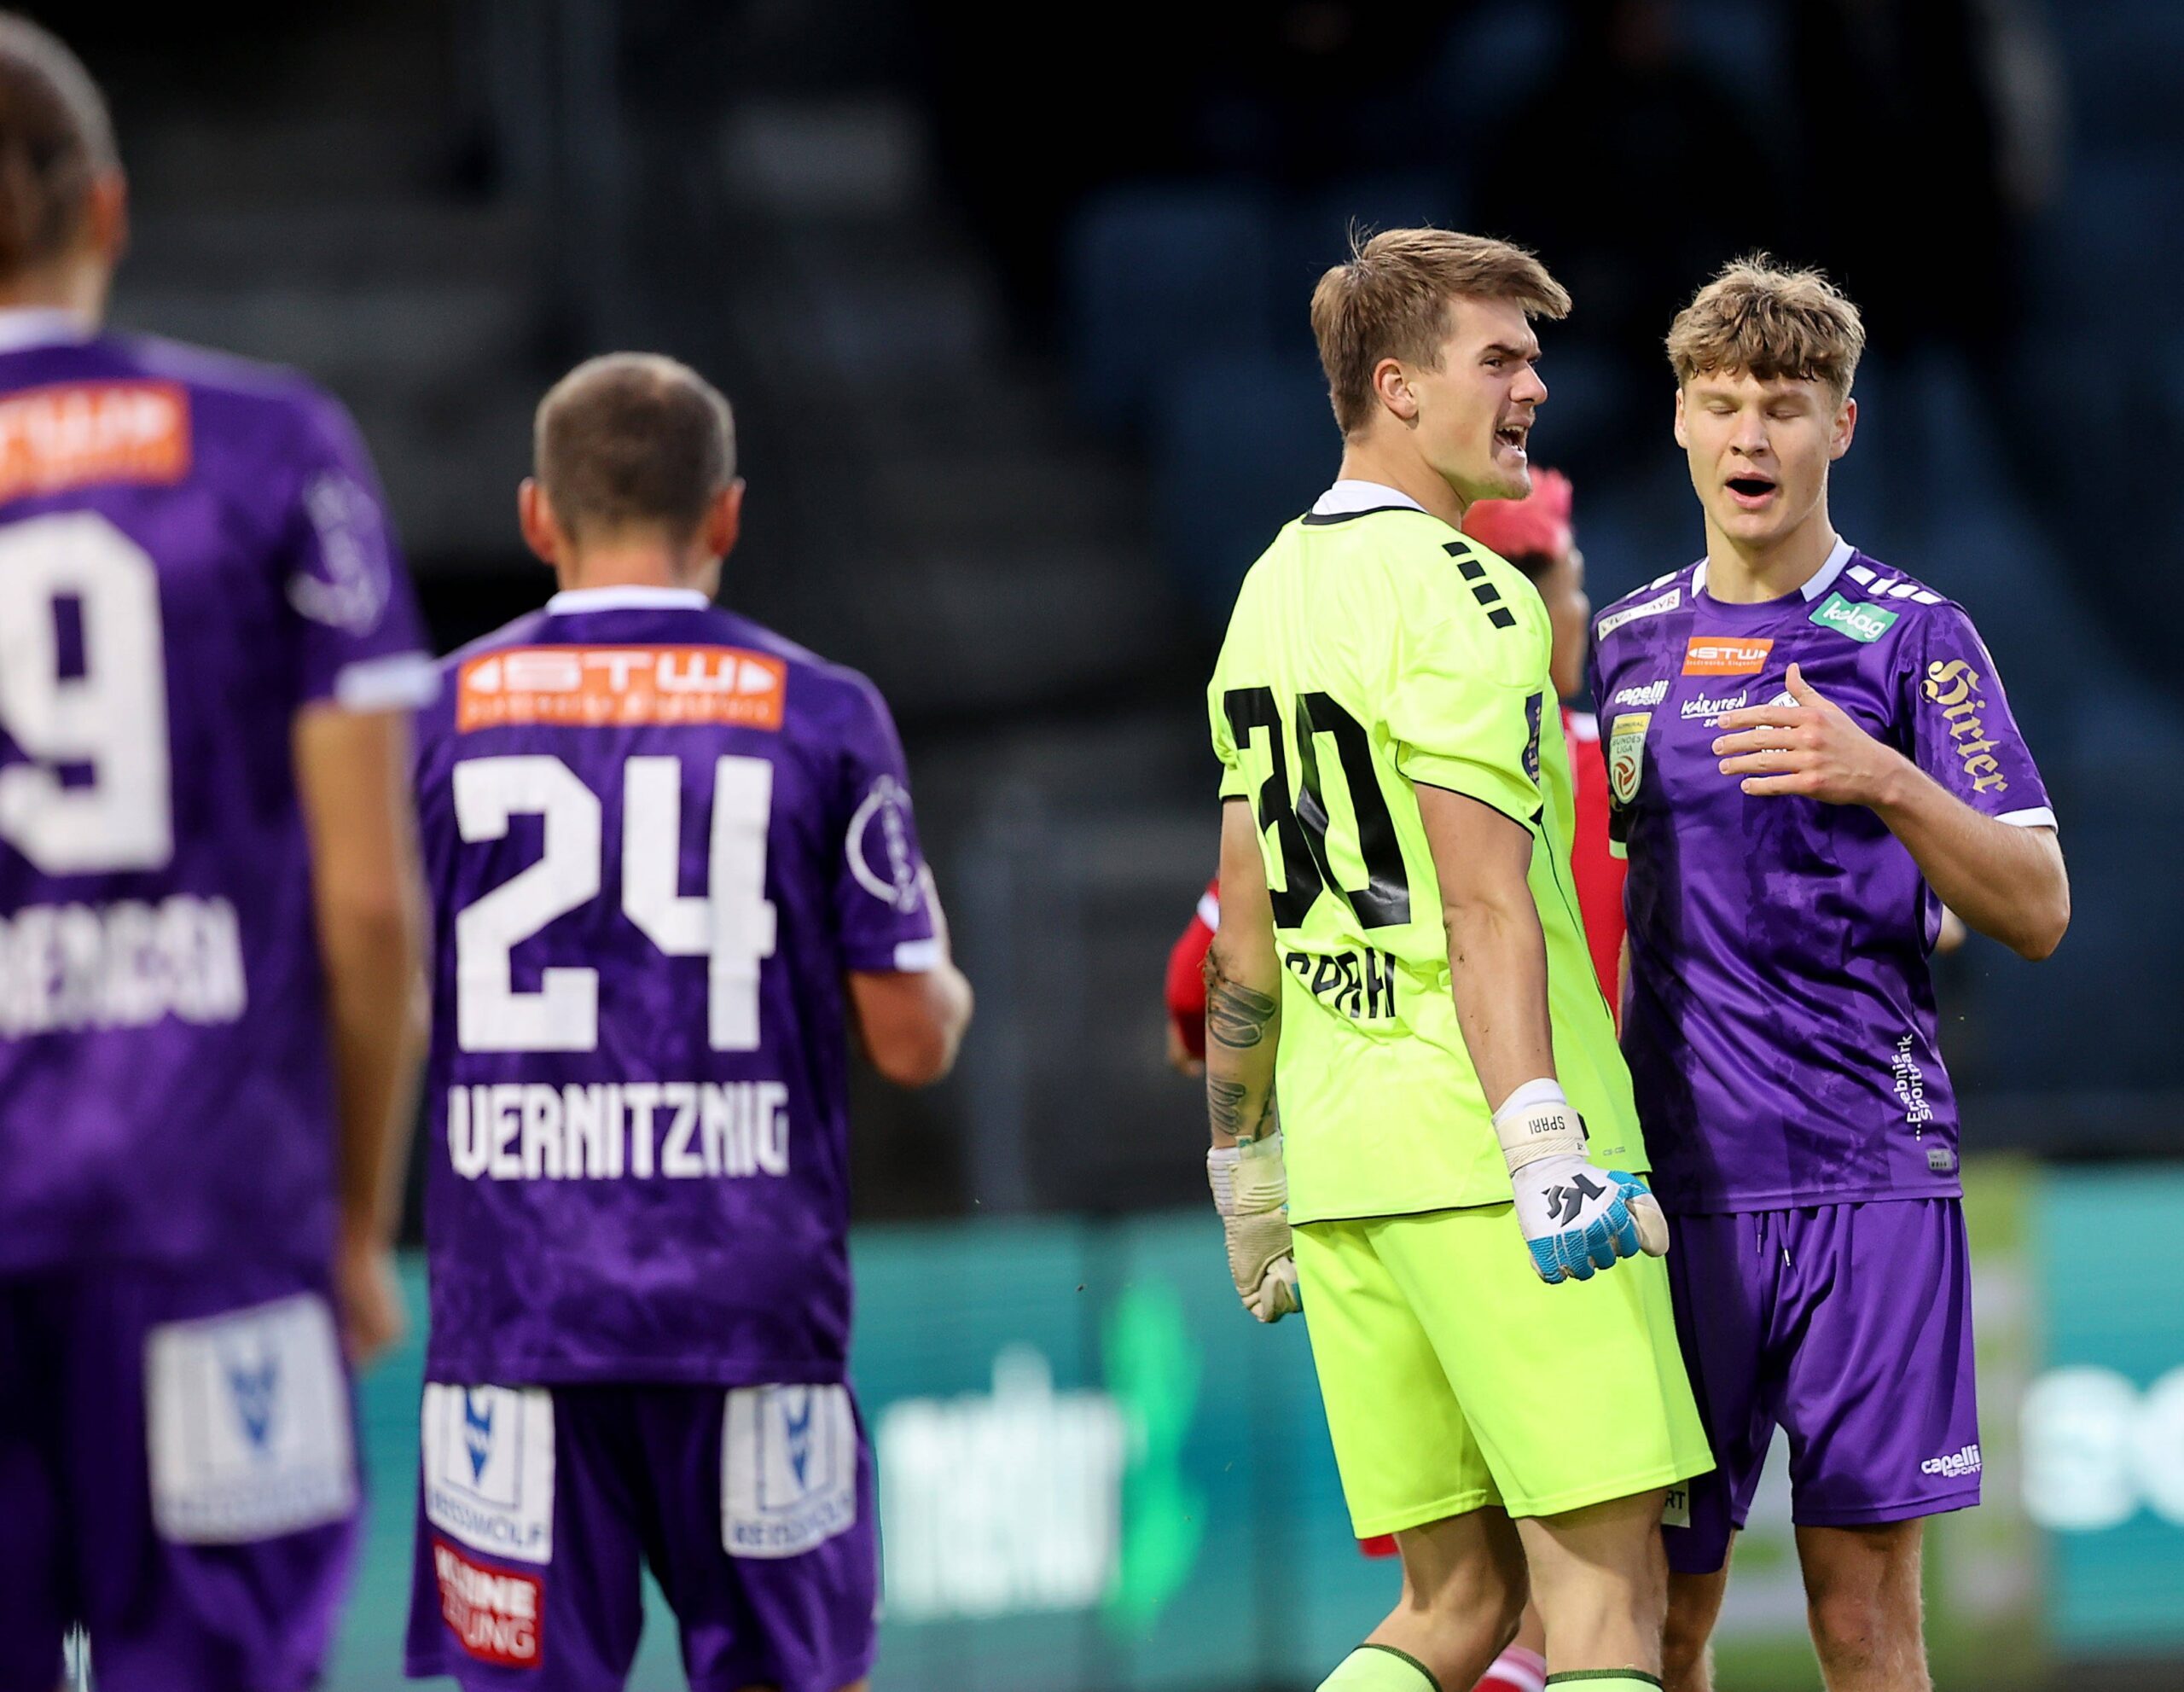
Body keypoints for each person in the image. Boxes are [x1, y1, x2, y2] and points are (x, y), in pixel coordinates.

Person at [404, 353, 973, 1691]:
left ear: (538, 516)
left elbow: (371, 982)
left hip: (513, 1321)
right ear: (726, 515)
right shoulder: (823, 717)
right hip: (749, 1316)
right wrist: (931, 969)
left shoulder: (430, 720)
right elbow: (911, 1037)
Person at [1204, 227, 1709, 1692]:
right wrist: (1541, 1137)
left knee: (1452, 1608)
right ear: (1397, 387)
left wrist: (1247, 1166)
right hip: (1495, 1166)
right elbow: (1485, 906)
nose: (1535, 386)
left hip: (1351, 1171)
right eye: (1500, 357)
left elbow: (1245, 912)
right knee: (1605, 1606)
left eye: (1534, 357)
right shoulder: (1467, 592)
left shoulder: (1267, 589)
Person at [0, 16, 433, 1690]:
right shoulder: (276, 453)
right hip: (210, 1215)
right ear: (105, 209)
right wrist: (345, 1225)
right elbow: (370, 908)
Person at [1586, 256, 2068, 1692]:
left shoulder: (1920, 640)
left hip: (1872, 1182)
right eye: (1722, 404)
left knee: (1861, 1624)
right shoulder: (1624, 649)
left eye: (1786, 408)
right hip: (1678, 1201)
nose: (1751, 438)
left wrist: (1885, 782)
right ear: (1679, 419)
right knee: (1660, 1623)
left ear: (1840, 430)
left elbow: (2038, 903)